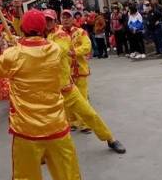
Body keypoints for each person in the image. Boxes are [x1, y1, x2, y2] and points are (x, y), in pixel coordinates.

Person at [0, 10, 82, 180]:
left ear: (22, 28)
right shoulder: (55, 50)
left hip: (26, 131)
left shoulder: (13, 55)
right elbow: (37, 49)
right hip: (57, 127)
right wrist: (18, 43)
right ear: (44, 28)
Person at [44, 10, 125, 154]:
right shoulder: (48, 35)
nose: (48, 22)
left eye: (50, 19)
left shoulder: (65, 34)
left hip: (73, 80)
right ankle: (48, 148)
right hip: (54, 88)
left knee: (88, 111)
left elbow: (68, 48)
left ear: (55, 20)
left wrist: (69, 52)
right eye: (45, 20)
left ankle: (109, 138)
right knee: (46, 121)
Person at [60, 10, 92, 104]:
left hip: (81, 71)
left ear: (73, 19)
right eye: (63, 18)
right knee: (69, 101)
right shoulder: (57, 34)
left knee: (83, 99)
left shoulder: (80, 32)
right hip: (66, 74)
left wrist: (74, 52)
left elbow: (87, 46)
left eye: (68, 17)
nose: (65, 20)